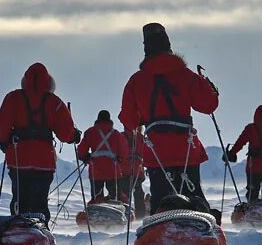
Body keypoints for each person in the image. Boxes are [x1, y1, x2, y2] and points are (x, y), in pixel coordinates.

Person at [118, 23, 219, 215]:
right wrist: (208, 86)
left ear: (146, 48)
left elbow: (129, 121)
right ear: (168, 45)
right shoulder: (186, 76)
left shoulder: (136, 81)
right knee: (193, 196)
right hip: (186, 147)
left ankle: (161, 232)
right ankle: (201, 230)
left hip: (157, 151)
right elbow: (208, 105)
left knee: (161, 199)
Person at [0, 63, 80, 222]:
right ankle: (39, 232)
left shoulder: (13, 98)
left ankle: (17, 233)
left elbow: (3, 123)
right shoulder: (54, 102)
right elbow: (65, 133)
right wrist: (74, 136)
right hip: (44, 162)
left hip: (18, 158)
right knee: (39, 202)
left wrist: (4, 142)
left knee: (19, 200)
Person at [77, 110, 129, 202]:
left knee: (97, 199)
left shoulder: (90, 132)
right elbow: (124, 153)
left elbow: (81, 151)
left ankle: (97, 214)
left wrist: (85, 157)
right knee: (115, 199)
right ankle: (114, 214)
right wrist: (120, 159)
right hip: (113, 171)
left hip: (95, 171)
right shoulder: (117, 134)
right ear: (109, 120)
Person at [118, 127, 148, 218]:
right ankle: (140, 217)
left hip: (124, 171)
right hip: (138, 171)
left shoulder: (120, 136)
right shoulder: (142, 138)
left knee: (124, 194)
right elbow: (146, 154)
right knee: (138, 194)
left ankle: (123, 215)